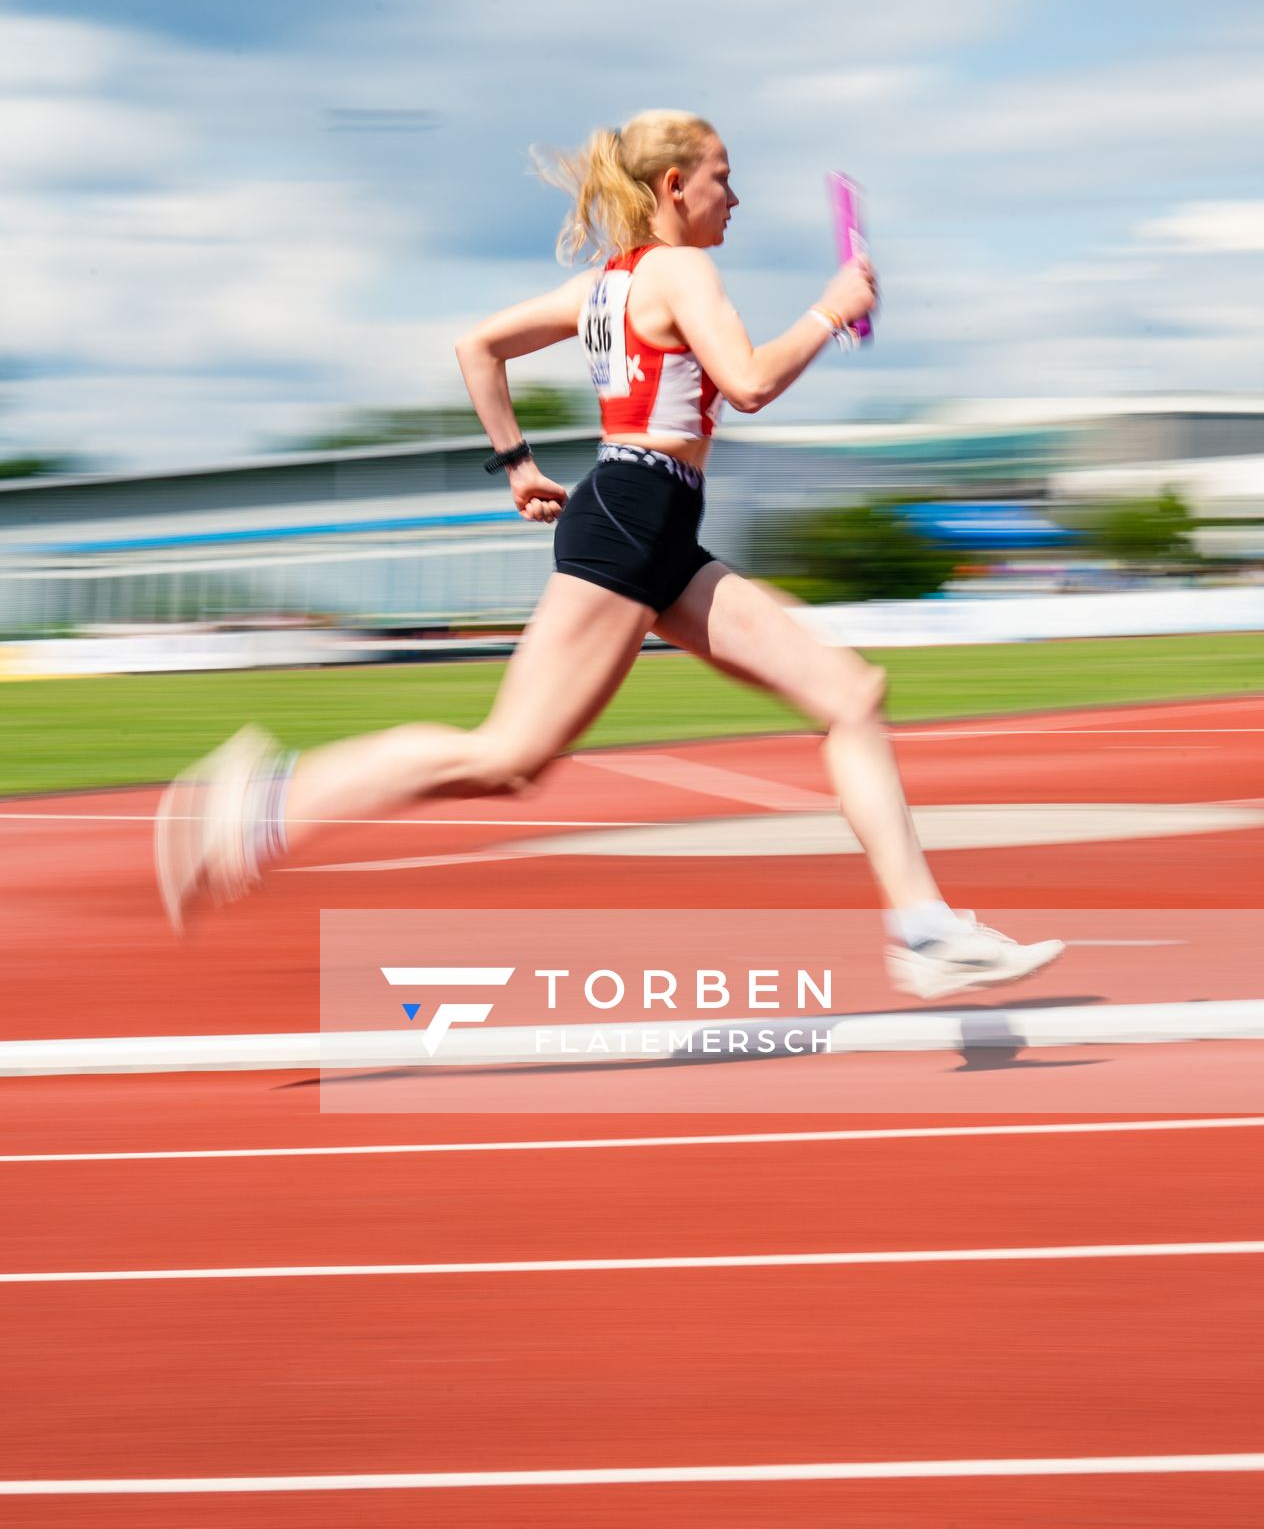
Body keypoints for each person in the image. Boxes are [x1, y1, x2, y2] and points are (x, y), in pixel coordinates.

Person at [155, 109, 1063, 999]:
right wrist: (831, 311)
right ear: (675, 185)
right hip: (632, 518)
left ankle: (924, 929)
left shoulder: (607, 285)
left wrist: (518, 465)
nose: (734, 197)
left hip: (654, 524)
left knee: (850, 696)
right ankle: (266, 801)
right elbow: (748, 383)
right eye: (722, 177)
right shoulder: (681, 271)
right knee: (507, 756)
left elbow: (479, 346)